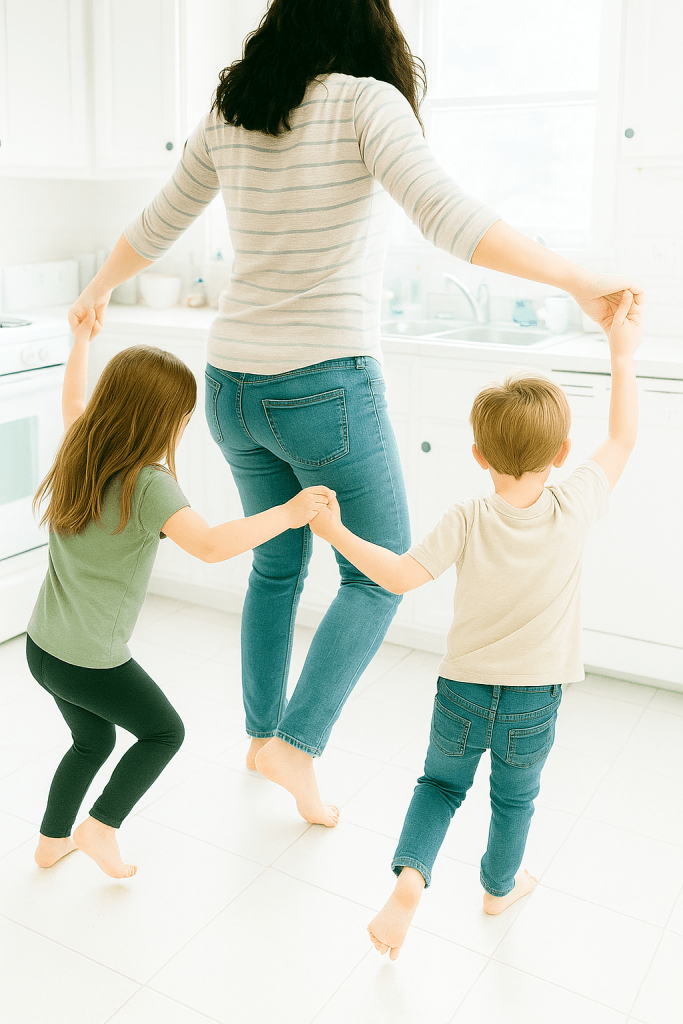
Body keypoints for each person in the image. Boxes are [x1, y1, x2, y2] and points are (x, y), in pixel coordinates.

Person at [68, 0, 642, 829]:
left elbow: (158, 223)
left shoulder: (233, 112)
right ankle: (295, 745)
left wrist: (96, 289)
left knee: (275, 563)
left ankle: (261, 736)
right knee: (376, 573)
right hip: (322, 381)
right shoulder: (365, 101)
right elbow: (447, 216)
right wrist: (572, 278)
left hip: (231, 382)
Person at [309, 288, 643, 958]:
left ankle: (409, 881)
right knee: (513, 801)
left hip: (461, 690)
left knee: (439, 786)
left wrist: (334, 529)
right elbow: (622, 436)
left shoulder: (467, 516)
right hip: (533, 700)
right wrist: (620, 350)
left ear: (477, 456)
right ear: (561, 451)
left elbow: (399, 576)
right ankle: (497, 886)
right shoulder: (574, 502)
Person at [27, 308, 332, 879]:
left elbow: (73, 399)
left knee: (90, 740)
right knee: (165, 732)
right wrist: (290, 514)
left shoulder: (82, 447)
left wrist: (80, 340)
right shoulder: (148, 484)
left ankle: (50, 843)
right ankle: (99, 828)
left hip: (43, 649)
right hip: (90, 660)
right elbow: (212, 545)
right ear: (162, 420)